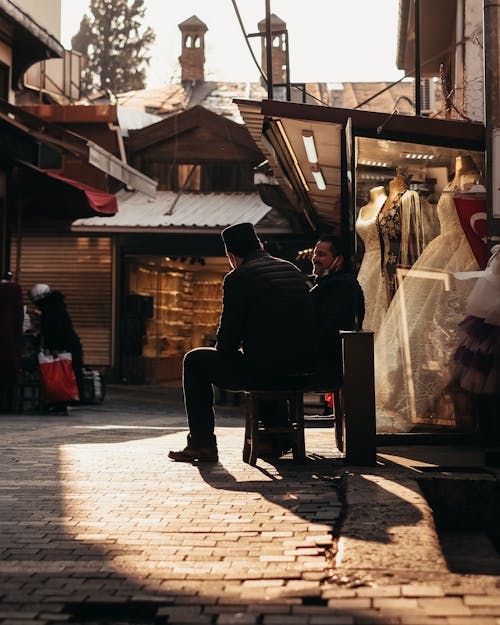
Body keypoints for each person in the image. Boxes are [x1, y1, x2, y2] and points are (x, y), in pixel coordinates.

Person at [169, 222, 316, 463]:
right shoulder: (290, 269)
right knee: (266, 355)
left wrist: (229, 346)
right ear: (259, 245)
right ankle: (275, 439)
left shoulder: (239, 277)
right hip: (305, 369)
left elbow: (227, 342)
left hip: (268, 373)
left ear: (231, 255)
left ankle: (202, 443)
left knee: (195, 360)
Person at [308, 235, 365, 391]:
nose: (315, 258)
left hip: (329, 366)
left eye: (321, 254)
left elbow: (331, 331)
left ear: (338, 260)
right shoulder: (327, 285)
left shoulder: (344, 288)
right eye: (315, 253)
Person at [29, 284, 84, 415]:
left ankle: (60, 402)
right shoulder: (55, 306)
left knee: (60, 374)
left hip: (62, 346)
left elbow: (54, 329)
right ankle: (61, 402)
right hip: (69, 345)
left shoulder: (50, 309)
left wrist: (53, 347)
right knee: (65, 374)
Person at [0, 272, 24, 413]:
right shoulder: (15, 290)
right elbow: (18, 316)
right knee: (8, 373)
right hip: (10, 339)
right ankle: (9, 405)